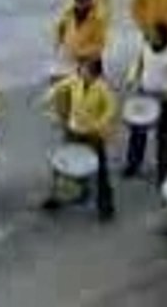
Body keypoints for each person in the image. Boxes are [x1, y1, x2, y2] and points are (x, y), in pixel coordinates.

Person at [43, 59, 117, 221]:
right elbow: (59, 87)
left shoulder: (102, 88)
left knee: (100, 171)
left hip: (93, 134)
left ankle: (106, 207)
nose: (81, 71)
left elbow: (111, 109)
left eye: (84, 69)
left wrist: (98, 124)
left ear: (94, 72)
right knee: (64, 164)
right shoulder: (75, 80)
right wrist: (49, 97)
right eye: (81, 68)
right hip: (74, 130)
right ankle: (58, 197)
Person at [123, 22, 167, 183]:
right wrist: (131, 78)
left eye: (154, 35)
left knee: (164, 137)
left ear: (163, 36)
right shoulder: (145, 47)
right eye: (150, 34)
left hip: (163, 99)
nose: (151, 37)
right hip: (144, 95)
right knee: (137, 132)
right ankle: (133, 163)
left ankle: (164, 171)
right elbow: (137, 64)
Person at [54, 0, 109, 81]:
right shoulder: (68, 14)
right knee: (54, 78)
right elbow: (60, 29)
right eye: (77, 0)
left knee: (85, 82)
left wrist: (81, 55)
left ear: (89, 1)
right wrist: (58, 43)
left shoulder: (98, 20)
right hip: (70, 58)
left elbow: (99, 46)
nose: (79, 4)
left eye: (82, 1)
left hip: (90, 61)